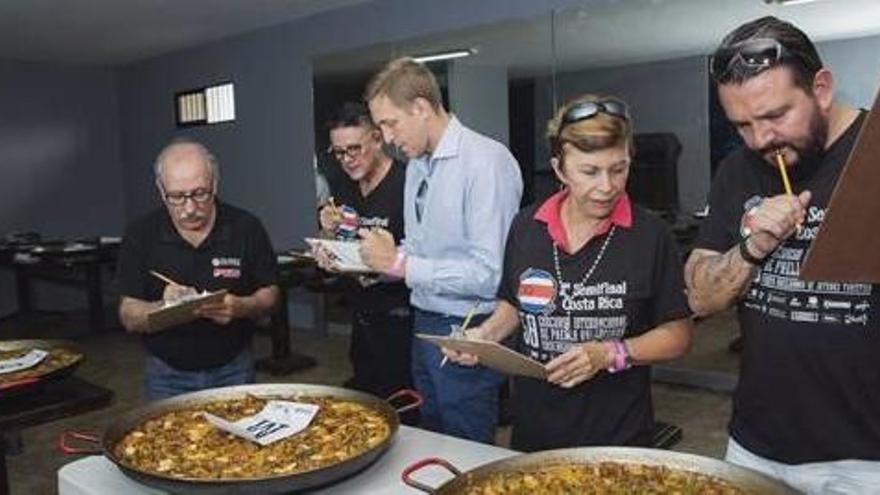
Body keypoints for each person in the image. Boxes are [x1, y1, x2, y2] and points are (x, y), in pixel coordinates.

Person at [686, 16, 880, 494]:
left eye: (774, 116)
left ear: (821, 87)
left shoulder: (873, 156)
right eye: (742, 125)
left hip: (865, 459)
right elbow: (700, 298)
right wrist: (753, 247)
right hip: (754, 445)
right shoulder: (738, 169)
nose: (760, 139)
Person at [444, 95, 693, 451]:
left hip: (617, 434)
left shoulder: (651, 235)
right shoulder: (527, 226)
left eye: (619, 168)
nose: (607, 186)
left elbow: (678, 335)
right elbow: (515, 306)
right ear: (559, 170)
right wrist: (483, 336)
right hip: (535, 427)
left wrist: (609, 354)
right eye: (589, 172)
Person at [359, 57, 523, 443]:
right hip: (425, 320)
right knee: (430, 432)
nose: (385, 138)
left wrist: (401, 264)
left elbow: (491, 274)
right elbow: (419, 248)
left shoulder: (486, 162)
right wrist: (369, 262)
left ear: (420, 107)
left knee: (465, 443)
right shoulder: (417, 163)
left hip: (470, 325)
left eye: (389, 123)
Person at [117, 138, 280, 401]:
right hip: (166, 375)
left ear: (215, 183)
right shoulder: (140, 235)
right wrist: (163, 309)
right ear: (160, 190)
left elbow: (271, 295)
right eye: (177, 197)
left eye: (200, 193)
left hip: (234, 368)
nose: (190, 208)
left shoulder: (246, 227)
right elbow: (128, 315)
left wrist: (241, 306)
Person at [316, 102, 414, 409]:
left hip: (405, 320)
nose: (347, 159)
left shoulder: (407, 184)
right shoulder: (344, 189)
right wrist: (327, 239)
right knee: (371, 407)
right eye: (339, 152)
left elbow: (426, 254)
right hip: (362, 317)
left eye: (355, 149)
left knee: (406, 408)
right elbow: (343, 247)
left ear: (377, 138)